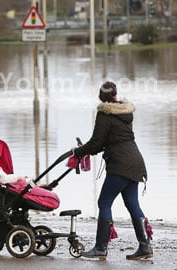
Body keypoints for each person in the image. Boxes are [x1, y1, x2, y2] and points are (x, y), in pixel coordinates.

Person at [72, 81, 153, 261]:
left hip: (120, 164)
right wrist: (88, 150)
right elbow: (109, 140)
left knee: (104, 203)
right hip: (135, 161)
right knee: (132, 203)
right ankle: (145, 246)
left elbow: (96, 142)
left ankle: (101, 248)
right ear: (115, 94)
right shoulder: (125, 112)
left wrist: (77, 152)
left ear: (101, 97)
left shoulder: (104, 114)